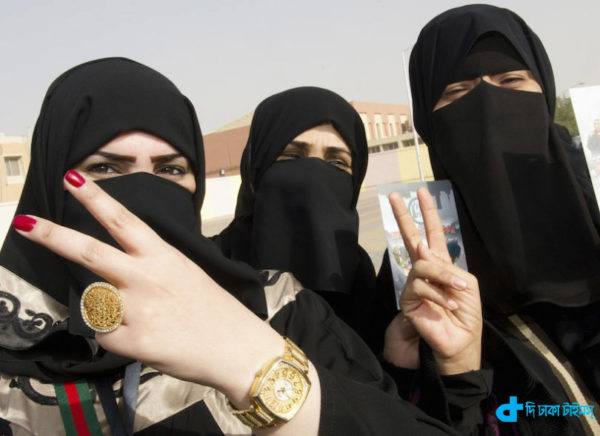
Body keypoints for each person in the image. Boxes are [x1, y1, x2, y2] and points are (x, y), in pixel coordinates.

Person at [0, 57, 473, 435]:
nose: (140, 194)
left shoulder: (282, 306)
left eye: (169, 170)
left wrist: (251, 362)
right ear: (48, 178)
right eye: (104, 168)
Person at [380, 4, 600, 435]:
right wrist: (456, 371)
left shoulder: (596, 203)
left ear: (544, 88)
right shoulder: (422, 271)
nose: (487, 102)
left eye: (511, 81)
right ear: (429, 120)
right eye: (457, 92)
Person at [214, 87, 378, 346]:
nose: (313, 175)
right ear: (256, 168)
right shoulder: (212, 267)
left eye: (337, 163)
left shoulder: (362, 277)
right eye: (292, 156)